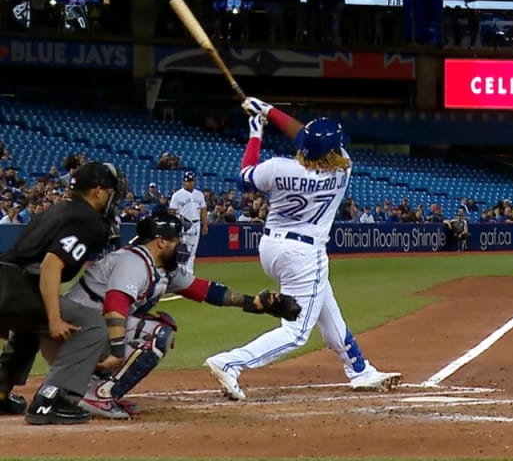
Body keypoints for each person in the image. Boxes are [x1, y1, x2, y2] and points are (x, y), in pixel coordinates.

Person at [204, 97, 402, 400]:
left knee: (326, 307)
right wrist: (271, 110)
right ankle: (231, 362)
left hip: (271, 247)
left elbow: (244, 177)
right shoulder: (342, 170)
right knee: (296, 331)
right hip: (305, 254)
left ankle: (360, 370)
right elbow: (303, 135)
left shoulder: (277, 168)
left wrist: (256, 131)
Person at [65, 214, 300, 419]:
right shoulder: (134, 262)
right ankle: (99, 395)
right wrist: (117, 352)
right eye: (177, 239)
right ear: (160, 242)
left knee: (149, 330)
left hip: (89, 328)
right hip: (75, 329)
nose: (181, 244)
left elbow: (207, 291)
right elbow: (115, 305)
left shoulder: (161, 268)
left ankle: (88, 384)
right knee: (157, 334)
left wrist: (253, 304)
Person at [0, 162, 125, 425]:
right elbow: (51, 264)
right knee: (91, 326)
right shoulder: (88, 219)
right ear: (98, 191)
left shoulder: (59, 210)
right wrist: (55, 319)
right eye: (111, 192)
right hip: (14, 288)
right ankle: (52, 399)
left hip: (7, 283)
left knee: (30, 327)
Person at [168, 170, 207, 276]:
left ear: (194, 181)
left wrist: (205, 224)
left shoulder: (199, 194)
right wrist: (174, 226)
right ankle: (180, 271)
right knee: (182, 249)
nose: (189, 183)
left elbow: (203, 210)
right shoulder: (177, 195)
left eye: (191, 181)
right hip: (183, 225)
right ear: (183, 182)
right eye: (187, 181)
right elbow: (172, 212)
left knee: (193, 249)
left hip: (196, 224)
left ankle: (189, 272)